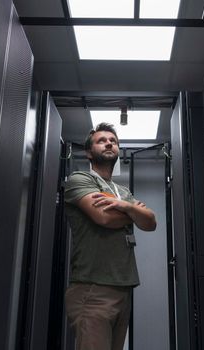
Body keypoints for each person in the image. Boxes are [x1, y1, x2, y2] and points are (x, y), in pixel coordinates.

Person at [64, 122, 157, 350]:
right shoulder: (80, 179)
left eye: (113, 141)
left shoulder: (122, 191)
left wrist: (122, 205)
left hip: (123, 288)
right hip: (92, 288)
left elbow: (151, 221)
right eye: (101, 140)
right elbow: (103, 218)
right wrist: (133, 211)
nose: (109, 143)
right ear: (89, 152)